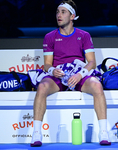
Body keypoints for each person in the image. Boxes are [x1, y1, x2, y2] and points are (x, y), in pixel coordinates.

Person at [30, 0, 111, 147]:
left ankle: (104, 132)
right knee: (42, 87)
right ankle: (36, 134)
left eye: (63, 12)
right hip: (58, 76)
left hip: (78, 75)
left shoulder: (84, 35)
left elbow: (92, 62)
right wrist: (52, 71)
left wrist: (80, 75)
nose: (58, 15)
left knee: (97, 85)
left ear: (72, 16)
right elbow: (47, 63)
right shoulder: (49, 36)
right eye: (57, 12)